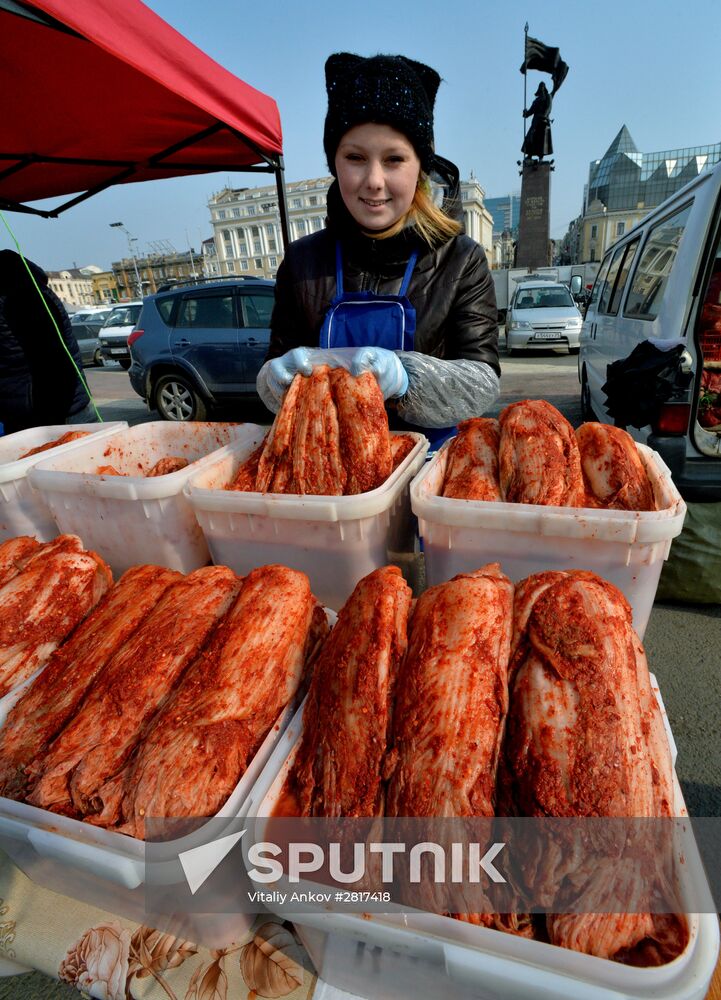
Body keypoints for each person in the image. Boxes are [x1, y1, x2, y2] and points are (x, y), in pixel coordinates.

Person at [256, 52, 500, 440]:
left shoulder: (460, 259)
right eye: (355, 157)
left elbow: (482, 384)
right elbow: (274, 371)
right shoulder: (302, 262)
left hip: (427, 473)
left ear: (420, 166)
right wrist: (274, 380)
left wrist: (407, 378)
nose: (373, 180)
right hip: (329, 477)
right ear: (334, 162)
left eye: (393, 159)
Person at [0, 249, 96, 435]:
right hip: (38, 414)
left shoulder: (20, 295)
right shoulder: (24, 290)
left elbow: (53, 363)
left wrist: (49, 426)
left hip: (50, 418)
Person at [521, 81, 553, 161]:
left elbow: (548, 108)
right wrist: (526, 113)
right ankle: (529, 155)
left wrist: (544, 115)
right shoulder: (537, 100)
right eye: (540, 87)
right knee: (530, 137)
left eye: (542, 87)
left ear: (544, 88)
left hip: (543, 122)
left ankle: (541, 157)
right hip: (535, 122)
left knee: (541, 140)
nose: (541, 88)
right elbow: (531, 111)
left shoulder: (547, 97)